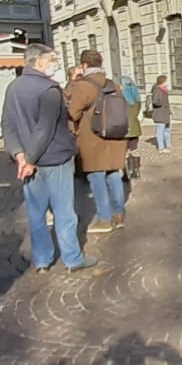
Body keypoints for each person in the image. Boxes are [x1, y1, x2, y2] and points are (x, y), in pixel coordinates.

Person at [2, 44, 97, 273]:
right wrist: (30, 159)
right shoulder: (50, 90)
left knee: (36, 215)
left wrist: (20, 155)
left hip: (29, 161)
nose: (56, 63)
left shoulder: (13, 87)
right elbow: (44, 129)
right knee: (64, 212)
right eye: (53, 59)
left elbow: (8, 125)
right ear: (40, 62)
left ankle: (43, 260)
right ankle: (72, 259)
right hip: (54, 159)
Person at [67, 50, 129, 233]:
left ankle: (104, 218)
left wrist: (73, 80)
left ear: (84, 66)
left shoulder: (83, 86)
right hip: (115, 135)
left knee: (96, 177)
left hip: (93, 138)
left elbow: (72, 112)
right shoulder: (113, 84)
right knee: (114, 174)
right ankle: (119, 214)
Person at [150, 75, 173, 153]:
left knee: (167, 130)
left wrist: (169, 112)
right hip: (160, 113)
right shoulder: (157, 90)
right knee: (160, 130)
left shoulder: (164, 90)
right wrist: (162, 104)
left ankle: (168, 145)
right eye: (166, 81)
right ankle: (161, 147)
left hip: (165, 113)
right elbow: (155, 101)